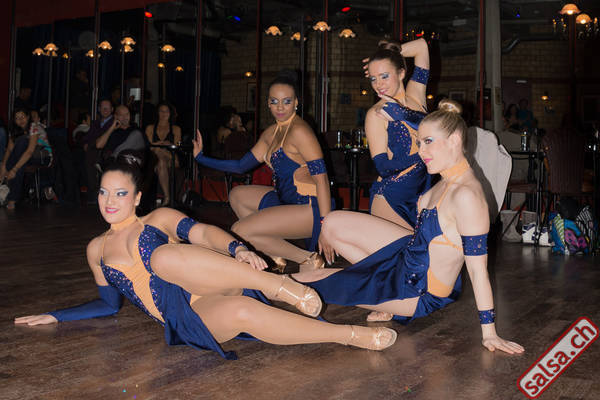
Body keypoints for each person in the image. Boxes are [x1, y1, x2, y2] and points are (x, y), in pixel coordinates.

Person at [14, 154, 397, 359]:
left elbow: (203, 233)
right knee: (243, 313)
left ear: (137, 197)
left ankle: (278, 285)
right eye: (103, 192)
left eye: (120, 193)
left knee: (162, 260)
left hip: (217, 277)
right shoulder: (95, 249)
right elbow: (108, 304)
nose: (109, 201)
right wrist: (57, 315)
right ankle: (348, 336)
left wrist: (238, 248)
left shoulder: (157, 219)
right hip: (187, 315)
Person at [293, 100, 524, 355]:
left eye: (428, 142)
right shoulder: (444, 180)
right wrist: (403, 115)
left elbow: (478, 271)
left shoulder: (467, 197)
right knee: (332, 223)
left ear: (455, 140)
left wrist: (489, 332)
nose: (421, 151)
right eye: (419, 142)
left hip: (417, 290)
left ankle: (264, 284)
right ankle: (373, 285)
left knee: (307, 283)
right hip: (406, 257)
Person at [193, 71, 334, 271]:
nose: (280, 107)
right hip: (285, 201)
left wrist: (326, 226)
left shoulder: (300, 131)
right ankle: (275, 254)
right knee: (237, 195)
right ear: (268, 103)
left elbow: (322, 180)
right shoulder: (271, 133)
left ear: (296, 103)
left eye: (286, 101)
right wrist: (200, 158)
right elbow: (241, 166)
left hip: (310, 208)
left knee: (240, 231)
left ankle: (307, 258)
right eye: (274, 101)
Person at [363, 38, 432, 231]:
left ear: (401, 73)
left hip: (420, 195)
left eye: (384, 76)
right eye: (373, 78)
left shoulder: (416, 95)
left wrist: (390, 53)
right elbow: (383, 167)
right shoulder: (376, 113)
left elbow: (421, 46)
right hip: (392, 198)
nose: (378, 84)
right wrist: (426, 155)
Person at [0, 108, 53, 209]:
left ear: (28, 117)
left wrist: (13, 170)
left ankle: (10, 195)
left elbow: (29, 151)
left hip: (42, 156)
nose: (20, 120)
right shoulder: (15, 130)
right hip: (24, 158)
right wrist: (3, 165)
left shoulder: (34, 127)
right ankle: (9, 195)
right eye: (17, 118)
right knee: (18, 157)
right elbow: (9, 150)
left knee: (22, 141)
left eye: (22, 117)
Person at [145, 102, 182, 206]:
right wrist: (159, 145)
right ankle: (167, 197)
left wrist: (165, 145)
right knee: (160, 161)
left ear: (170, 114)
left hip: (171, 158)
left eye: (166, 111)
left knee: (158, 151)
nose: (164, 114)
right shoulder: (150, 128)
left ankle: (166, 197)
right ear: (157, 113)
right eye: (161, 111)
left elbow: (177, 147)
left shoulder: (176, 129)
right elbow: (147, 146)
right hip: (155, 159)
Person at [82, 99, 115, 199]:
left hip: (107, 149)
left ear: (112, 109)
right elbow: (87, 137)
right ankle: (92, 190)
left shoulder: (114, 122)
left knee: (90, 156)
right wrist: (86, 143)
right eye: (103, 107)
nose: (105, 109)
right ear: (99, 109)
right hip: (94, 150)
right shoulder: (95, 123)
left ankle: (94, 192)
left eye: (107, 107)